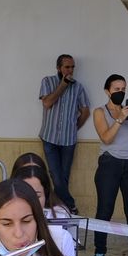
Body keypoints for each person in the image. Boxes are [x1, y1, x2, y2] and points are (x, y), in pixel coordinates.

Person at [91, 74, 128, 256]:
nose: (120, 92)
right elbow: (106, 138)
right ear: (107, 91)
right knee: (104, 210)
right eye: (116, 89)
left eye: (123, 89)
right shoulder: (100, 112)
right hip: (109, 164)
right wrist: (119, 119)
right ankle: (99, 252)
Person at [37, 54, 90, 211]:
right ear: (58, 68)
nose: (70, 70)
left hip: (69, 140)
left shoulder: (78, 87)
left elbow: (85, 111)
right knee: (55, 175)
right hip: (49, 137)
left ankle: (58, 208)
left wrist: (73, 127)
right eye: (67, 67)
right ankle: (70, 205)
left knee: (64, 177)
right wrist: (63, 85)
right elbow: (47, 103)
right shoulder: (47, 81)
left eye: (73, 67)